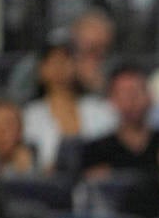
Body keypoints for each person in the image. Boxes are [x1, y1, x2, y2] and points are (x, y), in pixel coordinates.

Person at [21, 43, 117, 174]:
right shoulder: (29, 115)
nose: (59, 67)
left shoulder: (100, 109)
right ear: (41, 70)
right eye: (53, 62)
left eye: (65, 60)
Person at [80, 64, 159, 180]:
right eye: (125, 93)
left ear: (150, 95)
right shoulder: (96, 152)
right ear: (111, 99)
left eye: (136, 91)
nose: (132, 99)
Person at [0, 100, 37, 181]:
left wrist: (26, 171)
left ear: (20, 132)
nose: (4, 131)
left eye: (10, 124)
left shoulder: (31, 156)